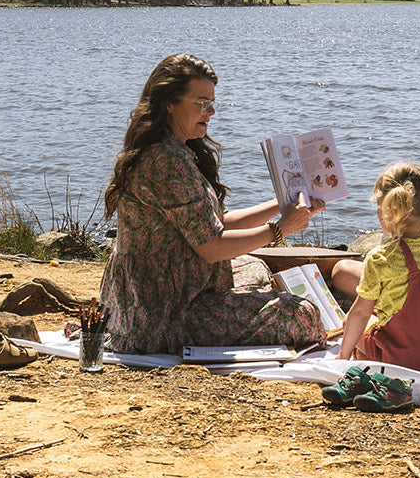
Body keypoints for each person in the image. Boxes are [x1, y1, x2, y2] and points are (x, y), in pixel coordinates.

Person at [100, 54, 327, 354]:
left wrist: (281, 205)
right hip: (164, 310)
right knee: (303, 315)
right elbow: (210, 247)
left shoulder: (172, 150)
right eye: (202, 102)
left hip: (154, 291)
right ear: (169, 102)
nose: (212, 111)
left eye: (212, 102)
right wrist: (279, 230)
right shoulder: (167, 161)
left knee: (255, 268)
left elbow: (216, 221)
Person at [334, 162, 420, 375]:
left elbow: (361, 312)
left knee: (351, 321)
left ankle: (359, 356)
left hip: (400, 359)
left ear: (386, 210)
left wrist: (342, 356)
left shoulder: (380, 257)